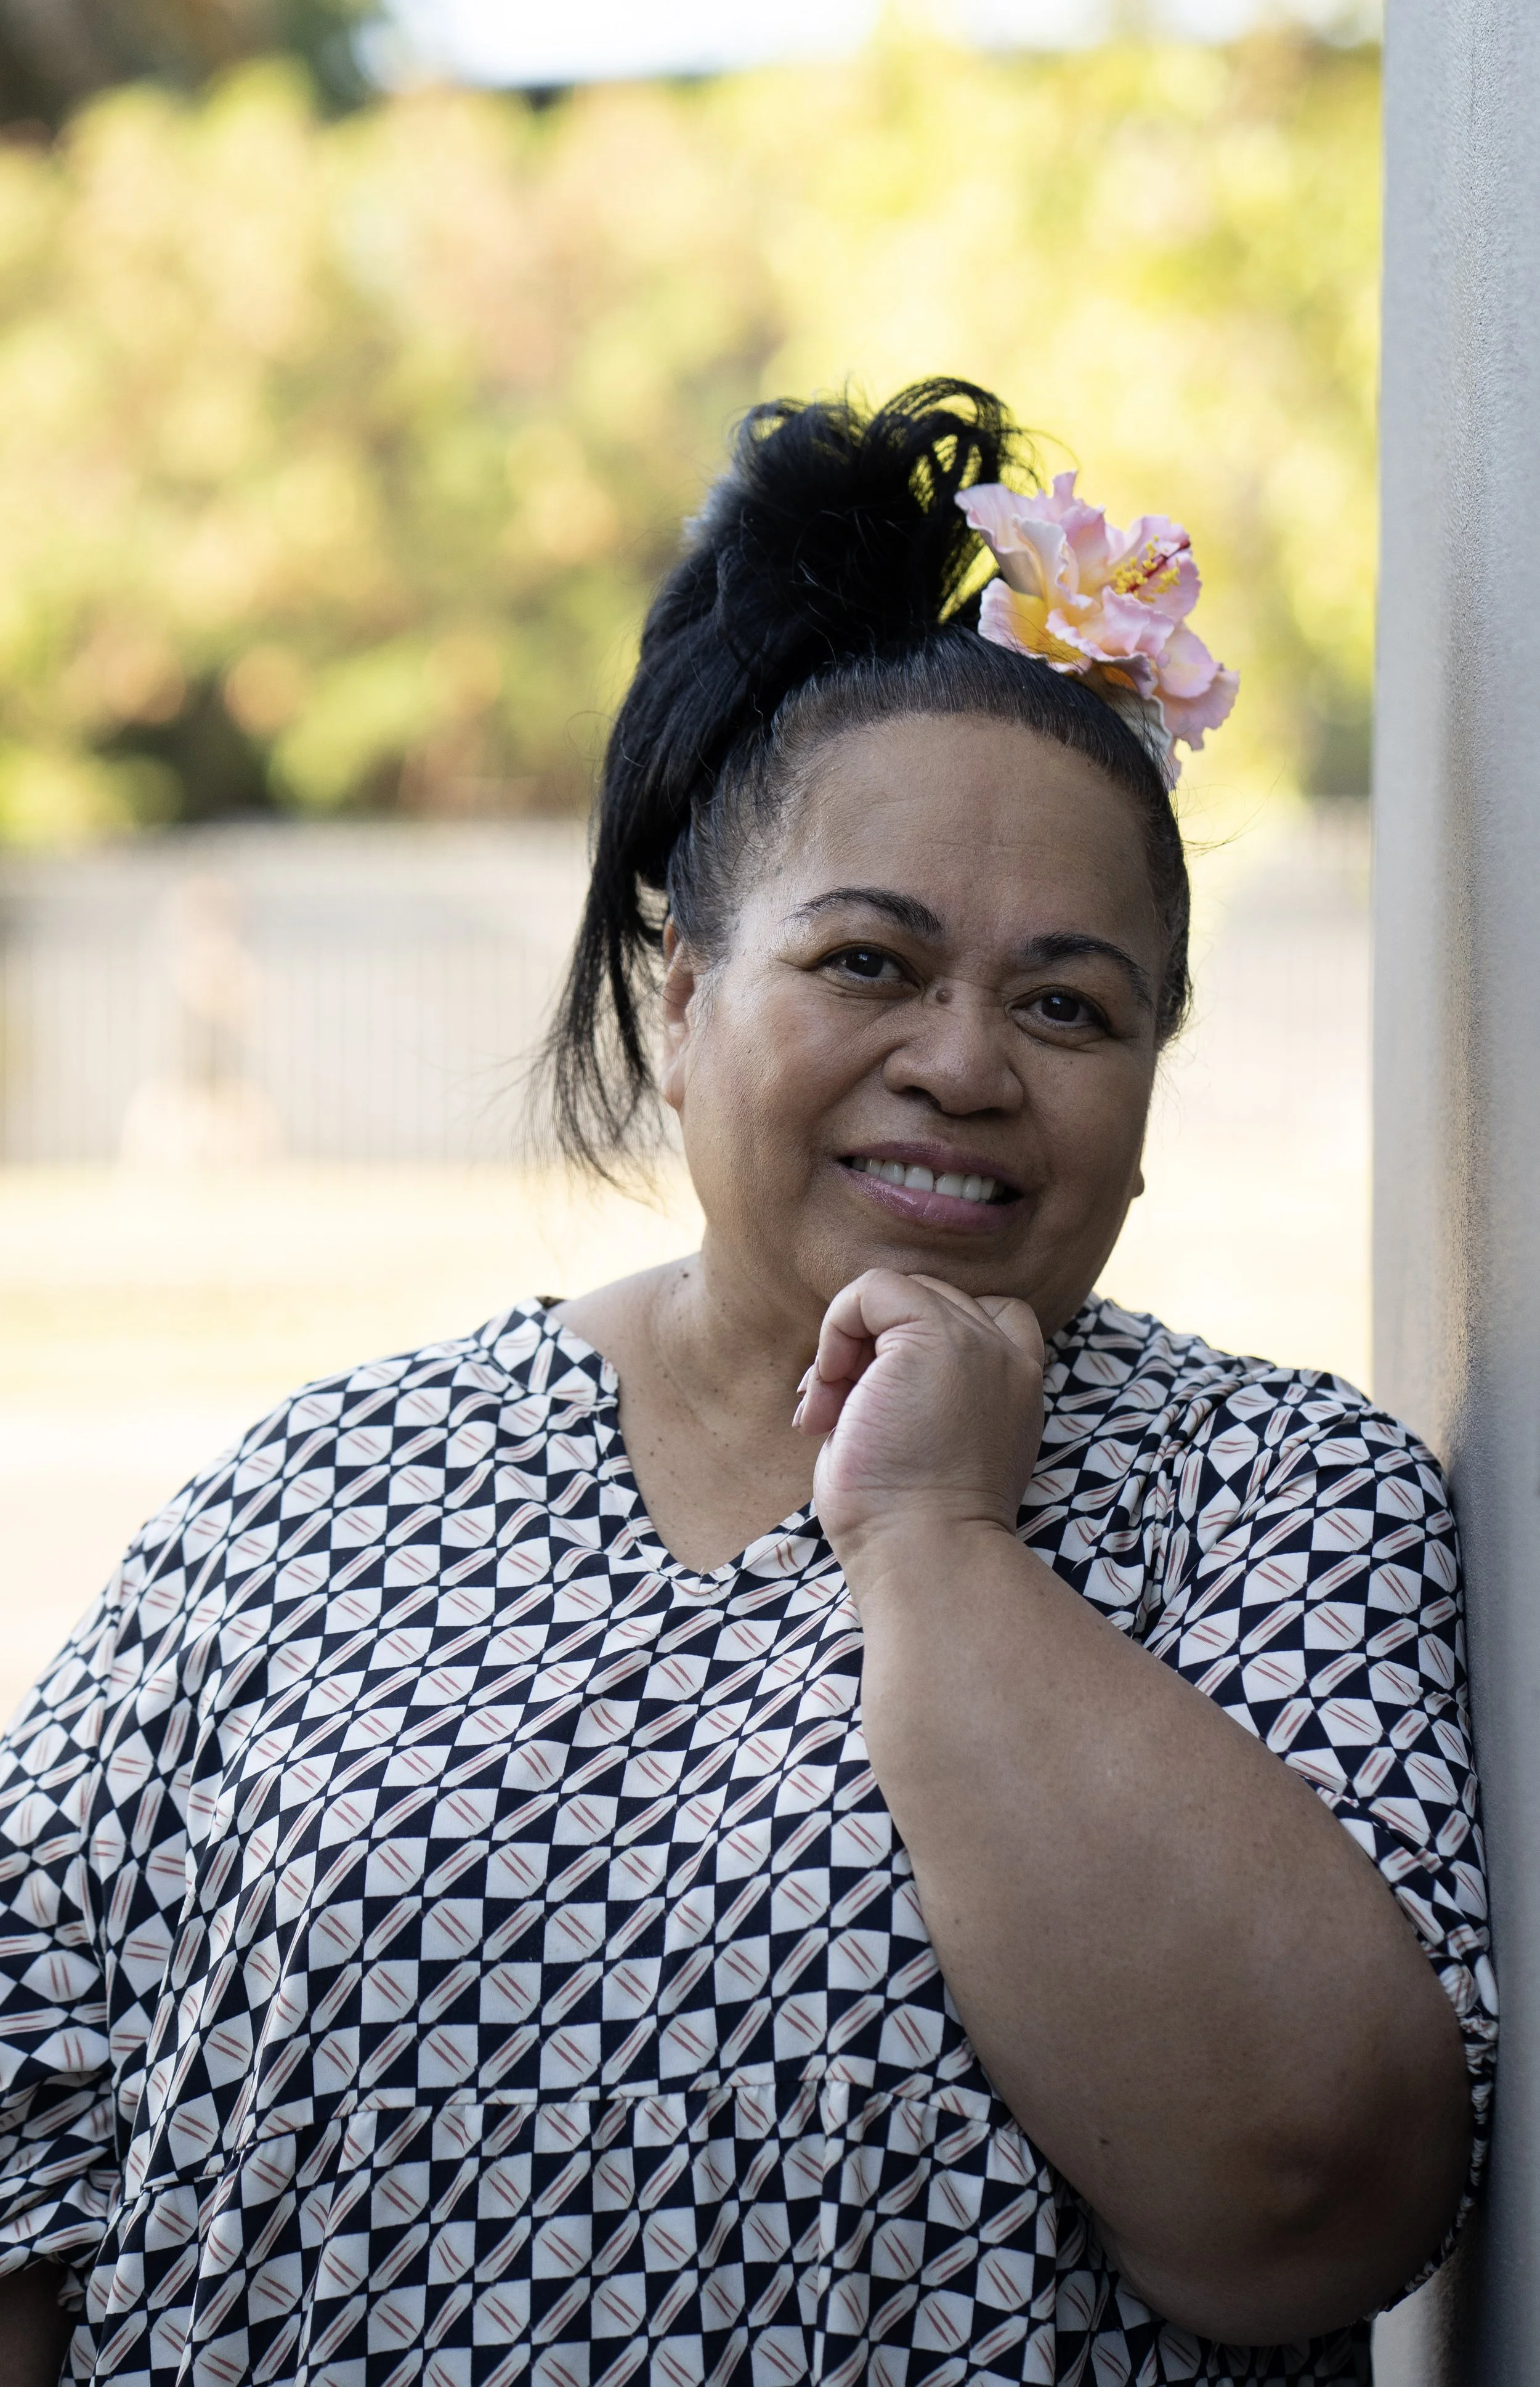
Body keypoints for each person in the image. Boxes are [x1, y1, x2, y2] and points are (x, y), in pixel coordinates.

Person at [0, 381, 1493, 2387]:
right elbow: (28, 2118)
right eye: (868, 963)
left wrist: (937, 1536)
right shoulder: (322, 1484)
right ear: (686, 1000)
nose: (966, 1063)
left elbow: (1309, 2205)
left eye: (1068, 1002)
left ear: (1149, 1090)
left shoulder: (1282, 1501)